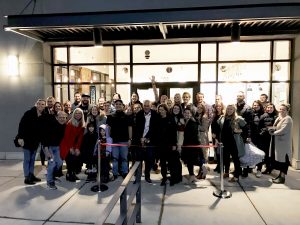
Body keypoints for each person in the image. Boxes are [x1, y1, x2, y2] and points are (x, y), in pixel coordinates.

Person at [17, 99, 46, 185]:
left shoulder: (43, 115)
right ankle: (26, 177)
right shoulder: (29, 113)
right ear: (36, 105)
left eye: (43, 104)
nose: (41, 105)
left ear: (45, 106)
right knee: (27, 159)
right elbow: (21, 124)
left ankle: (31, 175)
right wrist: (20, 137)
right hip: (26, 140)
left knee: (33, 159)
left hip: (35, 141)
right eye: (39, 104)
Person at [217, 104, 247, 182]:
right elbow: (218, 128)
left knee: (235, 159)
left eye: (231, 109)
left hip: (234, 142)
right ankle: (226, 172)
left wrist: (240, 131)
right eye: (228, 109)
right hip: (224, 142)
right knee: (225, 158)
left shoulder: (238, 119)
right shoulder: (222, 118)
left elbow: (246, 129)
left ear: (234, 110)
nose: (229, 110)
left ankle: (236, 176)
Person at [106, 99, 132, 179]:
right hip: (114, 141)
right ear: (114, 105)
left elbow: (130, 128)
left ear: (122, 106)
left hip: (124, 141)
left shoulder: (127, 116)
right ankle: (115, 173)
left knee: (124, 158)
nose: (118, 105)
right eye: (116, 104)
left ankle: (125, 172)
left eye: (119, 104)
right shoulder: (110, 116)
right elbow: (108, 128)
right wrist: (108, 139)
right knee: (115, 158)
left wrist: (130, 139)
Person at [41, 111, 67, 189]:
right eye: (60, 117)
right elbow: (44, 137)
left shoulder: (65, 126)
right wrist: (46, 150)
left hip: (57, 148)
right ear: (57, 117)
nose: (62, 119)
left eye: (63, 118)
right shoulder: (51, 125)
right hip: (48, 147)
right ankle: (50, 182)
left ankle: (51, 175)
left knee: (59, 162)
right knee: (52, 163)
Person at [157, 104, 181, 186]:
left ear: (166, 110)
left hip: (170, 144)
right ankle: (164, 178)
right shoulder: (158, 119)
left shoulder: (171, 118)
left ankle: (172, 179)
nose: (161, 111)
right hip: (161, 145)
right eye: (159, 110)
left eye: (162, 110)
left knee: (171, 163)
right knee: (163, 163)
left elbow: (174, 133)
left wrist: (174, 144)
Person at [136, 100, 160, 183]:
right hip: (140, 140)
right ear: (143, 106)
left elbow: (156, 129)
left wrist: (148, 138)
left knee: (149, 160)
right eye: (145, 106)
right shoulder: (139, 114)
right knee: (139, 160)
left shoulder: (155, 114)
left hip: (150, 141)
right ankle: (137, 178)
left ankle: (147, 176)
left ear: (150, 106)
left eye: (148, 106)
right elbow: (137, 128)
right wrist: (141, 138)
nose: (146, 107)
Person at [269, 103, 293, 184]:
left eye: (283, 109)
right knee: (280, 161)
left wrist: (273, 132)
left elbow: (283, 130)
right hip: (277, 142)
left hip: (283, 144)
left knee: (284, 161)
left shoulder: (288, 119)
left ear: (287, 110)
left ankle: (282, 177)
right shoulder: (279, 118)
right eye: (280, 109)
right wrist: (272, 129)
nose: (281, 111)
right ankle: (280, 176)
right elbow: (275, 127)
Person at [60, 108, 85, 182]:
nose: (78, 115)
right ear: (74, 114)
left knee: (76, 159)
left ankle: (73, 173)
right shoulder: (69, 123)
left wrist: (77, 148)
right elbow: (67, 137)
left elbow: (80, 138)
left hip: (75, 145)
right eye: (76, 113)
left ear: (82, 115)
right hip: (66, 145)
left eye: (79, 113)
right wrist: (71, 148)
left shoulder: (82, 124)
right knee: (70, 159)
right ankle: (69, 174)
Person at [181, 106, 200, 184]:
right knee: (189, 162)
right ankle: (192, 176)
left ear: (191, 114)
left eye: (188, 113)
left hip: (191, 146)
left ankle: (202, 167)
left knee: (191, 161)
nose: (186, 114)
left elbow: (192, 136)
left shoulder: (193, 122)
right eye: (185, 113)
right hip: (187, 145)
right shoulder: (186, 121)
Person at [258, 103, 278, 174]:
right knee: (264, 153)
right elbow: (259, 126)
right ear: (266, 108)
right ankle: (260, 169)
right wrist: (264, 131)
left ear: (273, 108)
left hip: (273, 138)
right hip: (264, 137)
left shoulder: (276, 116)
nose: (269, 109)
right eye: (268, 107)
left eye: (271, 107)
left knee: (271, 154)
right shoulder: (263, 116)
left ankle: (270, 168)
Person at [249, 100, 265, 177]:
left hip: (261, 137)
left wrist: (261, 133)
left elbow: (265, 125)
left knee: (260, 153)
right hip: (252, 136)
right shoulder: (251, 113)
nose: (255, 106)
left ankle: (259, 169)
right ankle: (251, 167)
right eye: (254, 105)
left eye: (257, 105)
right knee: (252, 152)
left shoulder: (263, 114)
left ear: (260, 106)